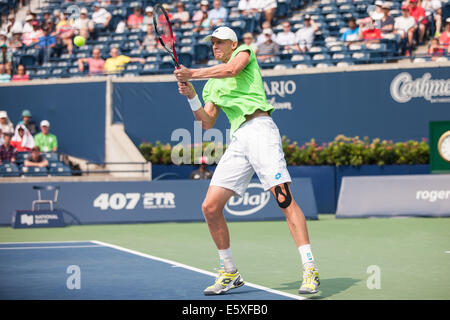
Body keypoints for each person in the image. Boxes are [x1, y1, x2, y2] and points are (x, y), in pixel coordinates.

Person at [174, 26, 320, 296]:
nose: (215, 46)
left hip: (261, 129)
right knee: (209, 207)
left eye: (220, 42)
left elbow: (232, 70)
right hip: (239, 138)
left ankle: (310, 269)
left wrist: (192, 73)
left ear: (233, 44)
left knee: (283, 199)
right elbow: (206, 123)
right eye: (212, 43)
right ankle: (229, 272)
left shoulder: (245, 53)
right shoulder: (211, 84)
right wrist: (192, 94)